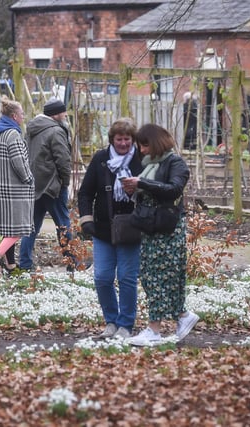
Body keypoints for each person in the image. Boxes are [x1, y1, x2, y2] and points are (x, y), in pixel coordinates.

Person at [121, 124, 199, 346]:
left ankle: (154, 330)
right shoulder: (150, 165)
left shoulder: (175, 163)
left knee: (158, 277)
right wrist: (134, 190)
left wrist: (142, 183)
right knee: (154, 275)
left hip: (167, 229)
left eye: (144, 145)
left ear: (155, 142)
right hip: (151, 227)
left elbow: (174, 189)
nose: (141, 151)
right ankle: (182, 316)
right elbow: (152, 195)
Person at [78, 118, 144, 339]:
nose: (123, 143)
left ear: (133, 140)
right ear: (112, 140)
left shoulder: (142, 159)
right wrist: (86, 220)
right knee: (102, 277)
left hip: (131, 228)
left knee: (126, 277)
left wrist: (137, 189)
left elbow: (154, 190)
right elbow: (85, 192)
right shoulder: (101, 159)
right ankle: (111, 322)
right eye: (119, 139)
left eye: (127, 139)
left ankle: (126, 324)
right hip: (104, 228)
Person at [19, 97, 74, 271]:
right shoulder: (56, 131)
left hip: (35, 184)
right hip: (52, 186)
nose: (65, 115)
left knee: (32, 226)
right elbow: (63, 160)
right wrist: (65, 183)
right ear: (56, 114)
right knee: (63, 224)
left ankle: (25, 262)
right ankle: (73, 262)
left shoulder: (33, 128)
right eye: (63, 112)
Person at [0, 98, 34, 272]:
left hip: (0, 187)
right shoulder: (13, 134)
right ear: (14, 116)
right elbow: (19, 162)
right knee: (18, 228)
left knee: (9, 228)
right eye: (22, 113)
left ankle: (11, 265)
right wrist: (29, 178)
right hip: (15, 189)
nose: (23, 116)